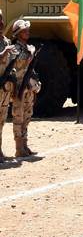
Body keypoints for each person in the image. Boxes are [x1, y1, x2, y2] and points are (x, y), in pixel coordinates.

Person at [9, 20, 40, 157]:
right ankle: (19, 147)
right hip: (19, 87)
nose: (27, 32)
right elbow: (19, 64)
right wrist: (31, 53)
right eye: (24, 30)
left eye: (27, 30)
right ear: (18, 33)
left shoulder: (29, 47)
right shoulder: (15, 49)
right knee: (18, 116)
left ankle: (25, 145)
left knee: (27, 115)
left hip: (27, 87)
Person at [0, 10, 13, 162]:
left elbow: (11, 63)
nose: (1, 24)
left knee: (2, 119)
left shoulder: (7, 41)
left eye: (1, 20)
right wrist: (4, 52)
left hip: (5, 87)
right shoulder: (6, 46)